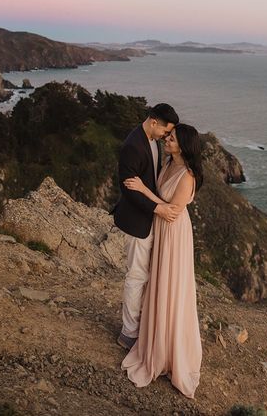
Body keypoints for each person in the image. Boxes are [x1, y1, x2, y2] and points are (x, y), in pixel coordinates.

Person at [121, 123, 203, 399]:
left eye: (173, 138)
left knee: (170, 288)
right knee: (157, 284)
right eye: (168, 135)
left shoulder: (188, 176)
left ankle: (168, 349)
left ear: (184, 146)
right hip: (161, 229)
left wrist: (143, 189)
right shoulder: (168, 163)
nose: (167, 139)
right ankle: (154, 337)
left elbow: (170, 212)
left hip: (174, 233)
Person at [113, 103, 180, 350]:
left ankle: (143, 325)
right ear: (154, 121)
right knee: (136, 276)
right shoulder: (133, 146)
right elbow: (128, 190)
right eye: (166, 131)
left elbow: (149, 182)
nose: (166, 137)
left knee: (147, 275)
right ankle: (128, 333)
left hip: (150, 220)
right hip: (137, 222)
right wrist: (159, 208)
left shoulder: (152, 140)